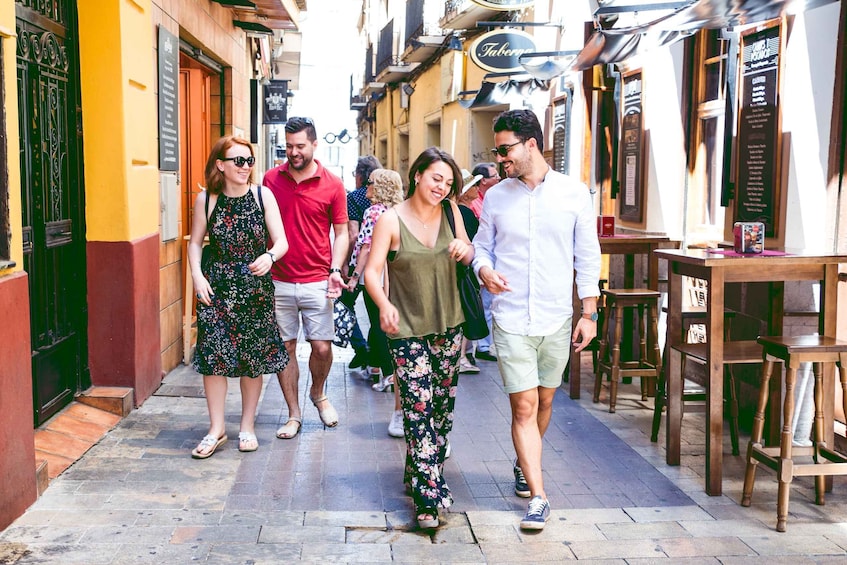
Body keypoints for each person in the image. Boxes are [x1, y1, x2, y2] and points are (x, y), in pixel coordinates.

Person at [473, 109, 601, 530]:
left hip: (556, 318)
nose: (500, 159)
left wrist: (589, 313)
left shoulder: (574, 193)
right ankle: (539, 496)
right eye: (497, 151)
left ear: (531, 144)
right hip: (510, 318)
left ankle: (524, 464)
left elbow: (587, 256)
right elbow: (481, 247)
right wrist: (483, 269)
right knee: (524, 406)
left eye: (505, 149)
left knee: (545, 402)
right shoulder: (495, 196)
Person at [364, 147, 474, 529]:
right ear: (417, 176)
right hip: (407, 329)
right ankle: (429, 498)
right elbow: (371, 272)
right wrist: (383, 305)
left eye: (447, 182)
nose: (441, 187)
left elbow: (469, 252)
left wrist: (465, 249)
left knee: (441, 412)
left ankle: (418, 473)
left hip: (449, 325)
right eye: (435, 178)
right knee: (419, 407)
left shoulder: (452, 213)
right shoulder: (390, 220)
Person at [188, 135, 289, 459]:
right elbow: (195, 243)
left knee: (252, 360)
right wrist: (197, 276)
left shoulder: (263, 196)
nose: (245, 167)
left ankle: (247, 426)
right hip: (215, 287)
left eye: (249, 161)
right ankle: (216, 429)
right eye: (238, 161)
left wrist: (270, 256)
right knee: (214, 360)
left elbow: (282, 242)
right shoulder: (206, 200)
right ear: (220, 165)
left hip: (254, 288)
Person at [263, 116, 349, 439]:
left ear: (314, 144)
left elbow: (341, 233)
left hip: (317, 279)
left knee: (323, 348)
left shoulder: (333, 184)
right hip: (279, 279)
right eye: (289, 146)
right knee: (284, 347)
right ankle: (293, 414)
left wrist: (336, 270)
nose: (294, 152)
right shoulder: (271, 179)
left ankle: (318, 392)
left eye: (300, 146)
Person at [346, 168, 405, 437]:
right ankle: (388, 373)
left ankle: (387, 374)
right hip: (391, 275)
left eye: (370, 183)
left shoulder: (373, 213)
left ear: (379, 187)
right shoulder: (400, 211)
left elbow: (367, 247)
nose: (366, 187)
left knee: (378, 324)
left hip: (375, 275)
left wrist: (355, 275)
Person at [346, 155, 383, 372]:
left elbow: (353, 235)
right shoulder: (390, 201)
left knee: (343, 304)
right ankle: (376, 359)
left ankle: (362, 349)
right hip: (382, 265)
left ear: (360, 175)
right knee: (375, 312)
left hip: (359, 262)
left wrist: (348, 268)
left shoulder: (354, 198)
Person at [468, 162, 501, 364]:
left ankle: (483, 344)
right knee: (483, 303)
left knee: (487, 303)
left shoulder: (491, 200)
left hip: (491, 258)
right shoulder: (475, 204)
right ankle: (481, 345)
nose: (498, 178)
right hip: (480, 258)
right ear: (484, 181)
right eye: (494, 175)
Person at [456, 169, 482, 375]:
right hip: (466, 268)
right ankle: (461, 356)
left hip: (467, 266)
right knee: (467, 310)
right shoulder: (463, 213)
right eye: (473, 185)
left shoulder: (464, 211)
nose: (477, 188)